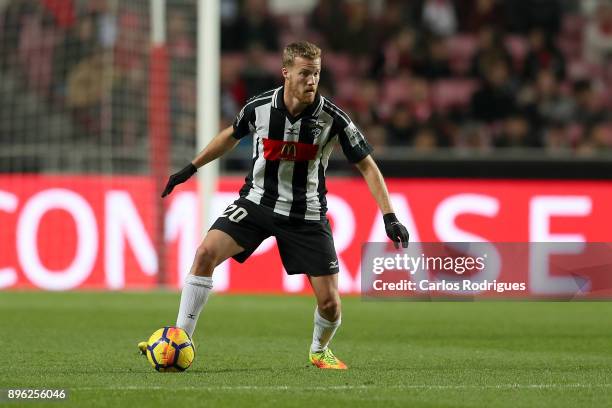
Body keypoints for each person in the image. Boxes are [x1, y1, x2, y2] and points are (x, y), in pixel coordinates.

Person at [139, 41, 409, 369]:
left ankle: (318, 349)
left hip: (306, 215)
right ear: (286, 73)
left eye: (317, 74)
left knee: (330, 304)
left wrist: (389, 215)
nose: (312, 81)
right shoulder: (260, 107)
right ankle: (181, 337)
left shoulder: (333, 119)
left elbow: (367, 164)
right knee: (205, 253)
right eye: (305, 73)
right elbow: (231, 134)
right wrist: (191, 168)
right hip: (256, 204)